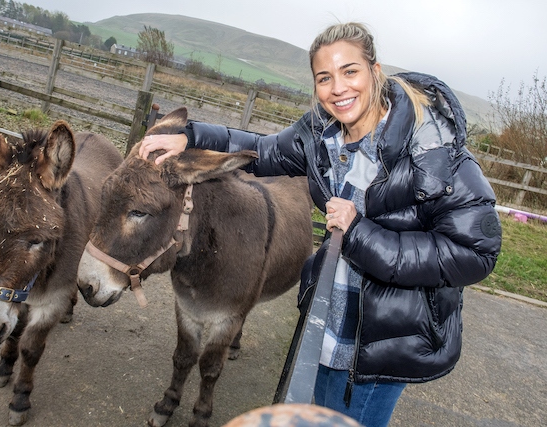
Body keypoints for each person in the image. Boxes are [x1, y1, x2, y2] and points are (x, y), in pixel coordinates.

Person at [139, 22, 501, 427]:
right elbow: (262, 148)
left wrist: (360, 233)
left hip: (380, 342)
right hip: (327, 322)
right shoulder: (321, 136)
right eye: (324, 78)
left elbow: (476, 252)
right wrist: (189, 136)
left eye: (350, 71)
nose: (338, 88)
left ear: (375, 71)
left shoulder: (434, 152)